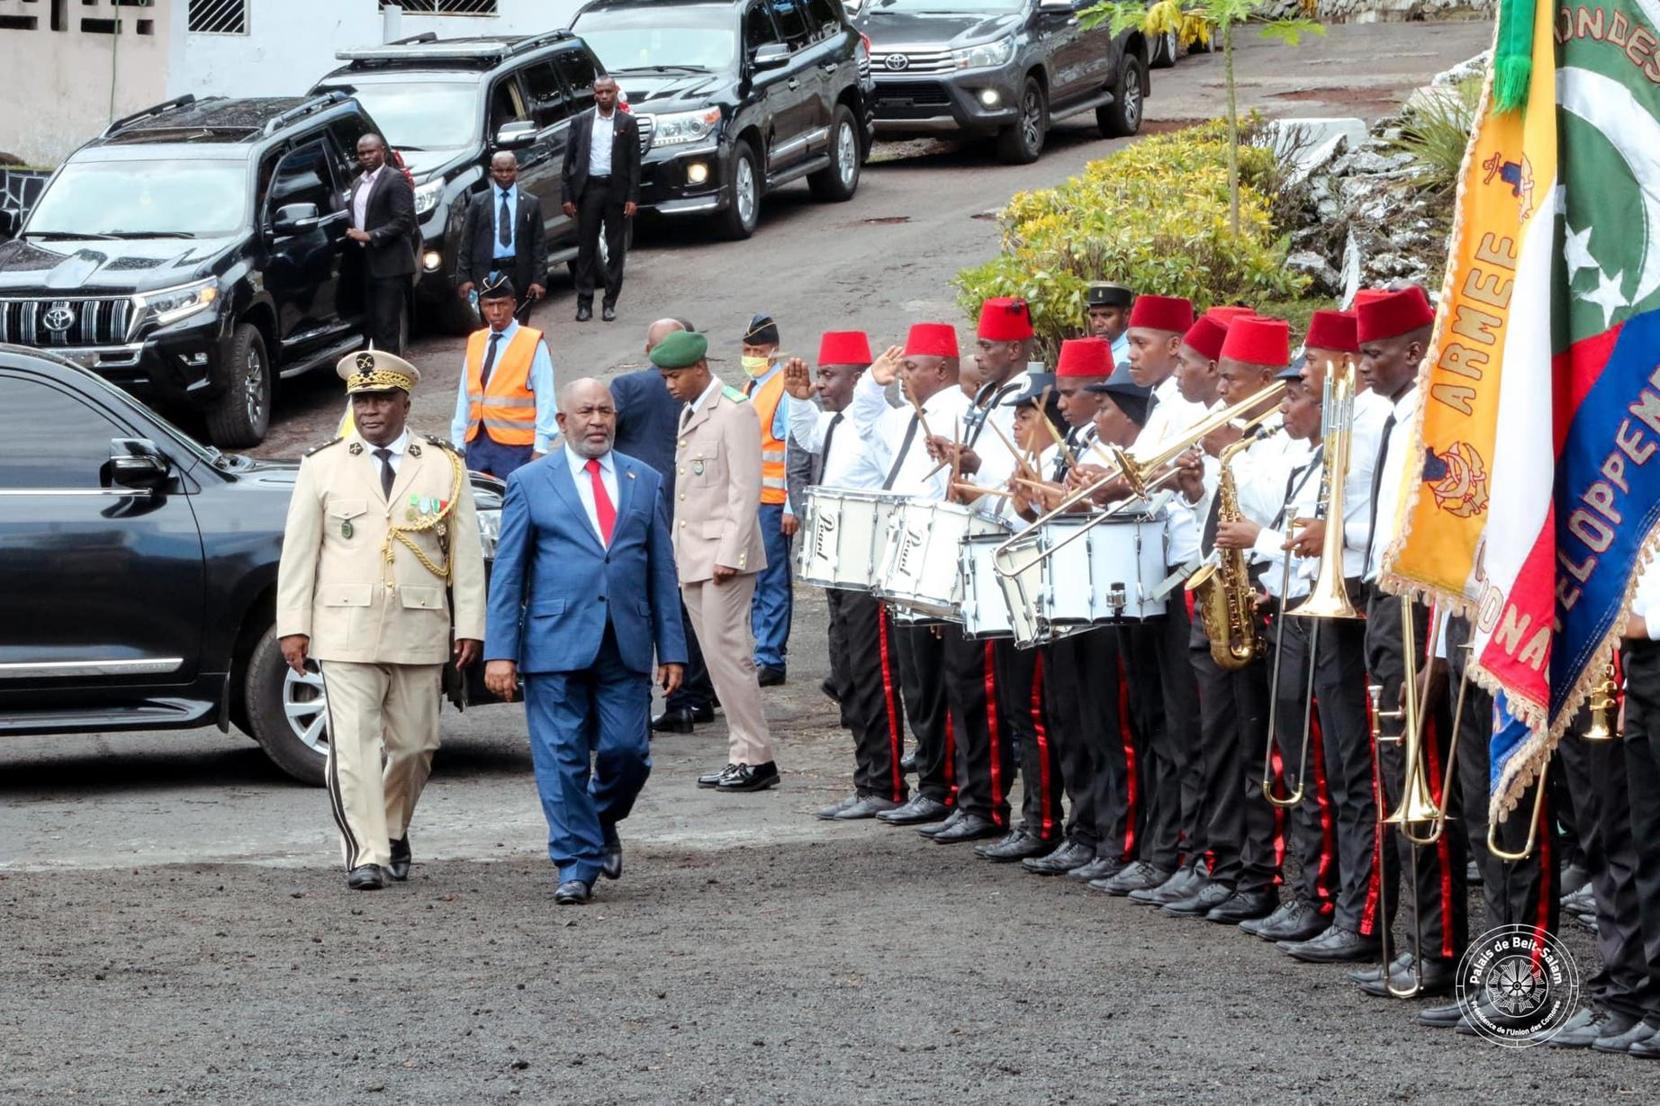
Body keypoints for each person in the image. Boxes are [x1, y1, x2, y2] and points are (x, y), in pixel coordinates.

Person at [275, 350, 486, 890]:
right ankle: (367, 853)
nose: (370, 410)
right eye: (361, 400)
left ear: (404, 403)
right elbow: (299, 555)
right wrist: (292, 624)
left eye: (381, 399)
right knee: (354, 745)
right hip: (344, 629)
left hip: (419, 626)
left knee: (417, 746)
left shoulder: (442, 463)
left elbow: (464, 554)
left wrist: (470, 626)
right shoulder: (322, 465)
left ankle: (392, 828)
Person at [482, 378, 686, 906]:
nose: (597, 420)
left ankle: (598, 818)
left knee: (628, 752)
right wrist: (499, 651)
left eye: (606, 411)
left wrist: (674, 648)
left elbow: (661, 571)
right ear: (562, 422)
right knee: (560, 756)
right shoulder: (529, 481)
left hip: (626, 640)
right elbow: (508, 573)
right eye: (586, 412)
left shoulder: (646, 480)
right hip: (552, 642)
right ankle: (575, 862)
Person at [1352, 284, 1467, 999]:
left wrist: (1431, 645)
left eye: (1374, 351)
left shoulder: (1433, 415)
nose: (1362, 364)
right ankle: (1414, 940)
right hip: (1382, 603)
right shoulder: (1394, 413)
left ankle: (1440, 949)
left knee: (1427, 785)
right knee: (1397, 782)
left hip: (1418, 606)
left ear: (1413, 350)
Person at [1268, 309, 1391, 964]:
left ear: (1341, 363)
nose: (1303, 370)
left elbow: (1376, 517)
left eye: (1311, 360)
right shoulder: (1347, 421)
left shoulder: (1375, 423)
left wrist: (1334, 535)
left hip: (1355, 598)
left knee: (1354, 769)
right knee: (1338, 766)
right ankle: (1342, 904)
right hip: (1328, 597)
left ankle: (1361, 914)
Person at [927, 298, 1055, 855]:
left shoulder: (1030, 395)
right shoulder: (986, 396)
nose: (978, 354)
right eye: (979, 345)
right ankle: (980, 800)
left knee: (1013, 700)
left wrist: (978, 469)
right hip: (980, 553)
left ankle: (1008, 810)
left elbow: (1022, 483)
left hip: (1014, 563)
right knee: (974, 688)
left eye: (988, 346)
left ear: (1018, 349)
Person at [1018, 339, 1141, 885]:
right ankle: (1086, 830)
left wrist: (1085, 495)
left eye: (1069, 394)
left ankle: (1119, 840)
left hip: (1105, 595)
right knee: (1074, 721)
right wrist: (1032, 498)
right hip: (1066, 592)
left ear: (1099, 395)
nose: (1060, 404)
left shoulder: (1121, 442)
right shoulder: (1080, 441)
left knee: (1113, 728)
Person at [853, 325, 972, 829]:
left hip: (936, 562)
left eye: (910, 367)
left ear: (940, 370)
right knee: (918, 685)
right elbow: (865, 422)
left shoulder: (959, 412)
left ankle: (945, 787)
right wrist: (871, 382)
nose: (902, 376)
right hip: (906, 559)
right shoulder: (907, 415)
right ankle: (934, 783)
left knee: (940, 683)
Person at [783, 332, 906, 820]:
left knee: (876, 676)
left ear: (862, 378)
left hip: (868, 567)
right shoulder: (836, 424)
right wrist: (796, 402)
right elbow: (810, 435)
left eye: (830, 376)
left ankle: (888, 783)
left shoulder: (885, 425)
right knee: (849, 677)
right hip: (837, 566)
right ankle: (867, 779)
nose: (820, 384)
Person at [652, 330, 779, 792]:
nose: (669, 385)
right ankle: (741, 753)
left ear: (699, 369)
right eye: (665, 376)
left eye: (675, 376)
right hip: (695, 555)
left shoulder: (733, 410)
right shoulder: (692, 410)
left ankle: (757, 757)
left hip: (724, 557)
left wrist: (731, 553)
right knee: (718, 658)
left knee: (732, 657)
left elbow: (747, 490)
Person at [614, 317, 719, 734]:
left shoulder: (628, 389)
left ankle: (675, 699)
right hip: (693, 507)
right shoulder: (704, 390)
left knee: (653, 603)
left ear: (648, 349)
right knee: (688, 603)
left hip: (643, 509)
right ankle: (698, 693)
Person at [739, 313, 798, 686]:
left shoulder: (783, 391)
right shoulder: (749, 386)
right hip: (751, 500)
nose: (750, 356)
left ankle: (771, 656)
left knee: (772, 579)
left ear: (773, 351)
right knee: (756, 579)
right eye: (746, 350)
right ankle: (763, 648)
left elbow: (796, 451)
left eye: (756, 350)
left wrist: (792, 505)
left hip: (775, 502)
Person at [448, 276, 557, 479]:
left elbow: (546, 398)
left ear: (513, 305)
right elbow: (465, 396)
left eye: (502, 304)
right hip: (477, 444)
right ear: (481, 306)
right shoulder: (475, 341)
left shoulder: (532, 342)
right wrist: (458, 444)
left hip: (516, 448)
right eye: (489, 305)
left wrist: (540, 449)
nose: (496, 312)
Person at [561, 75, 640, 322]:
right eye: (599, 92)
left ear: (615, 92)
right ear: (594, 94)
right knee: (586, 248)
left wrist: (632, 197)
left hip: (616, 190)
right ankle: (584, 303)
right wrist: (568, 196)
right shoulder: (581, 122)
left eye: (608, 91)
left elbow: (634, 164)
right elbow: (569, 163)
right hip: (589, 190)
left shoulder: (627, 122)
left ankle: (610, 302)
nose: (604, 96)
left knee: (616, 248)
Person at [457, 151, 548, 324]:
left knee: (519, 328)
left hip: (519, 274)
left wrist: (539, 280)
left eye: (509, 170)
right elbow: (466, 241)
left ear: (517, 170)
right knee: (491, 325)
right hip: (487, 273)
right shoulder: (479, 202)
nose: (504, 175)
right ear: (491, 171)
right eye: (499, 171)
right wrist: (464, 278)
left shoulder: (530, 203)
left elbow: (539, 244)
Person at [345, 133, 416, 353]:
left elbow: (405, 220)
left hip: (391, 265)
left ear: (382, 151)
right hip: (367, 264)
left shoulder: (394, 179)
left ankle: (392, 380)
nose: (366, 157)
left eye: (370, 151)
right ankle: (378, 376)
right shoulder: (358, 182)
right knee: (373, 325)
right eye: (361, 153)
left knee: (387, 325)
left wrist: (371, 235)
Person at [1086, 282, 1134, 365]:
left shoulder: (1134, 354)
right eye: (1093, 316)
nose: (1098, 323)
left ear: (1126, 315)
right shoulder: (1089, 351)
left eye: (1106, 315)